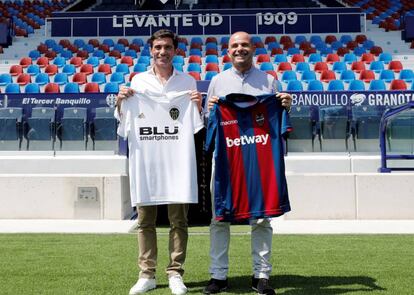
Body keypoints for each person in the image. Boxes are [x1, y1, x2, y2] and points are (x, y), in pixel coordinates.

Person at [202, 31, 292, 295]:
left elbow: (281, 118)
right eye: (234, 45)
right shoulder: (217, 81)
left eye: (244, 45)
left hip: (260, 162)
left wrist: (286, 105)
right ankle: (218, 277)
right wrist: (213, 107)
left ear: (253, 49)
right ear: (227, 51)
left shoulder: (269, 81)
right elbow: (209, 119)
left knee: (262, 218)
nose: (239, 49)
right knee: (219, 217)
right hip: (227, 161)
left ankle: (261, 276)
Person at [115, 29, 203, 295]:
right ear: (151, 50)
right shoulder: (138, 82)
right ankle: (147, 274)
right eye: (158, 47)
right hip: (147, 164)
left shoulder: (188, 82)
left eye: (167, 47)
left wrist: (197, 106)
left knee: (179, 220)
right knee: (145, 220)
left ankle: (175, 272)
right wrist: (121, 102)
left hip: (177, 164)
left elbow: (197, 125)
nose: (162, 52)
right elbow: (124, 122)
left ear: (175, 50)